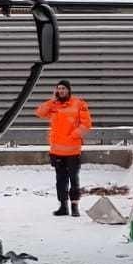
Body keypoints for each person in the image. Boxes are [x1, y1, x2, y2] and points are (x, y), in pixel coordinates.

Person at [35, 79, 92, 217]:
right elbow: (40, 112)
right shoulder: (54, 105)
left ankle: (74, 206)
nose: (61, 91)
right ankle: (63, 206)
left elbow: (86, 124)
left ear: (69, 90)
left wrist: (73, 135)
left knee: (73, 179)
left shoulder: (79, 104)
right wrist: (51, 100)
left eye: (63, 88)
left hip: (73, 150)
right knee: (60, 180)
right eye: (59, 88)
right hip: (57, 151)